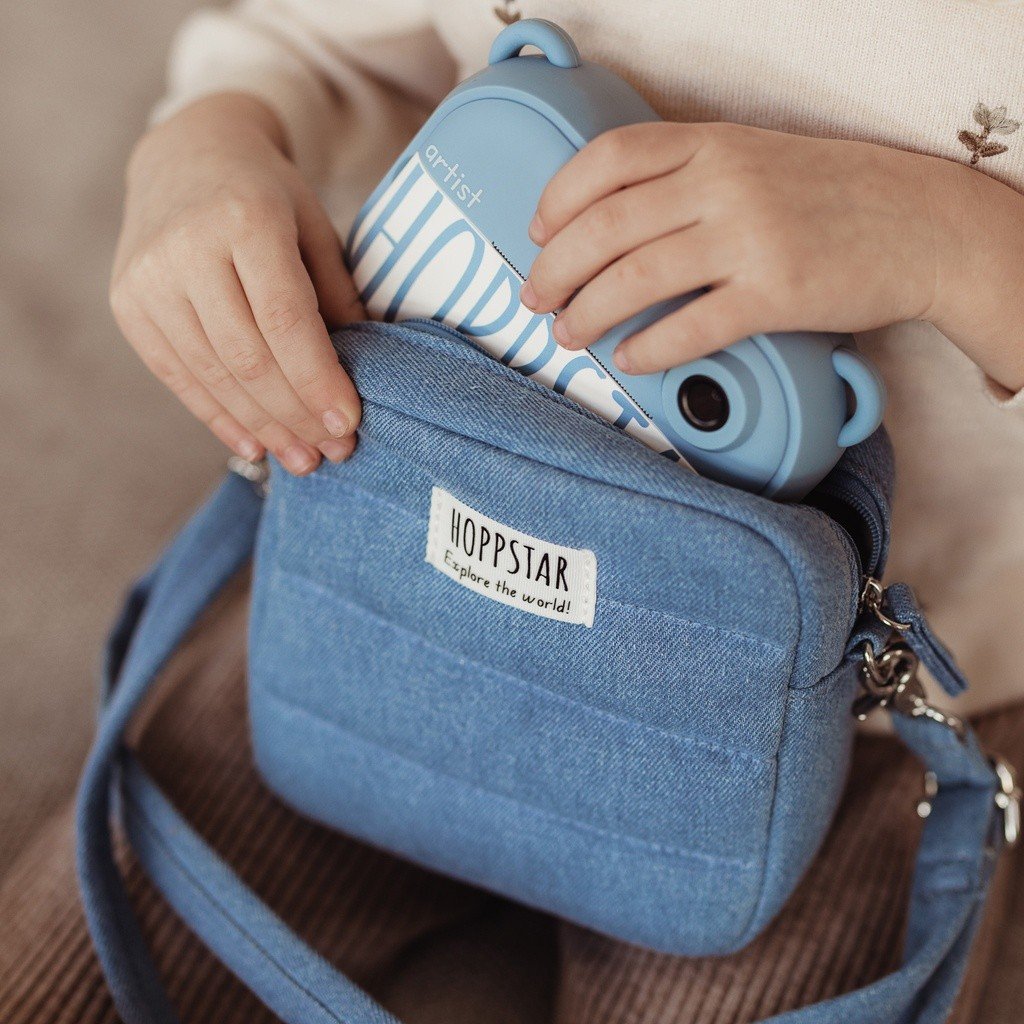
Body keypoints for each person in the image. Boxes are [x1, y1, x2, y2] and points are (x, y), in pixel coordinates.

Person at [96, 0, 1024, 1017]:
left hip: (863, 718)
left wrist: (959, 246)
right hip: (375, 572)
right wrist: (201, 146)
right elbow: (306, 44)